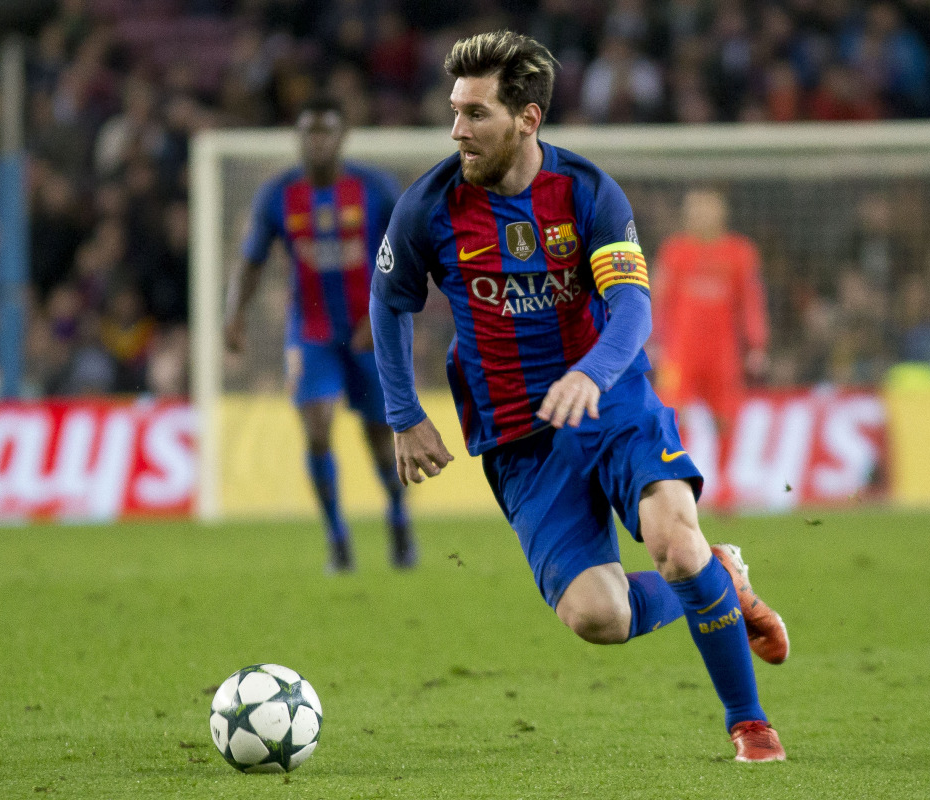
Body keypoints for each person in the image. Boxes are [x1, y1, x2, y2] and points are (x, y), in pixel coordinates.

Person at [369, 31, 789, 762]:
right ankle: (726, 575)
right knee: (598, 616)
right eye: (455, 111)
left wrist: (592, 373)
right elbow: (388, 301)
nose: (457, 130)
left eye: (476, 114)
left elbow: (632, 308)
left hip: (613, 403)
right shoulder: (428, 206)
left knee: (673, 544)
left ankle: (749, 723)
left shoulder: (588, 192)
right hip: (518, 438)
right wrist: (403, 413)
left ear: (527, 119)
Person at [226, 95, 416, 573]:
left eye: (325, 131)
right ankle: (337, 537)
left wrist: (391, 310)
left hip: (370, 331)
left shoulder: (375, 188)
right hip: (310, 332)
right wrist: (235, 315)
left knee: (377, 437)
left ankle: (396, 514)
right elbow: (251, 260)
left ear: (343, 136)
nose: (317, 141)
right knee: (316, 430)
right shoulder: (277, 195)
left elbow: (411, 252)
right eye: (308, 132)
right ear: (298, 138)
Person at [653, 188, 769, 431]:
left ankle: (723, 469)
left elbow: (751, 300)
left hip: (723, 350)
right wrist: (653, 340)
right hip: (680, 349)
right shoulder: (675, 251)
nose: (700, 216)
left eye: (706, 209)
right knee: (670, 413)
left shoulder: (739, 252)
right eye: (694, 210)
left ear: (721, 213)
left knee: (725, 419)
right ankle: (675, 468)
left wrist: (757, 344)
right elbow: (659, 299)